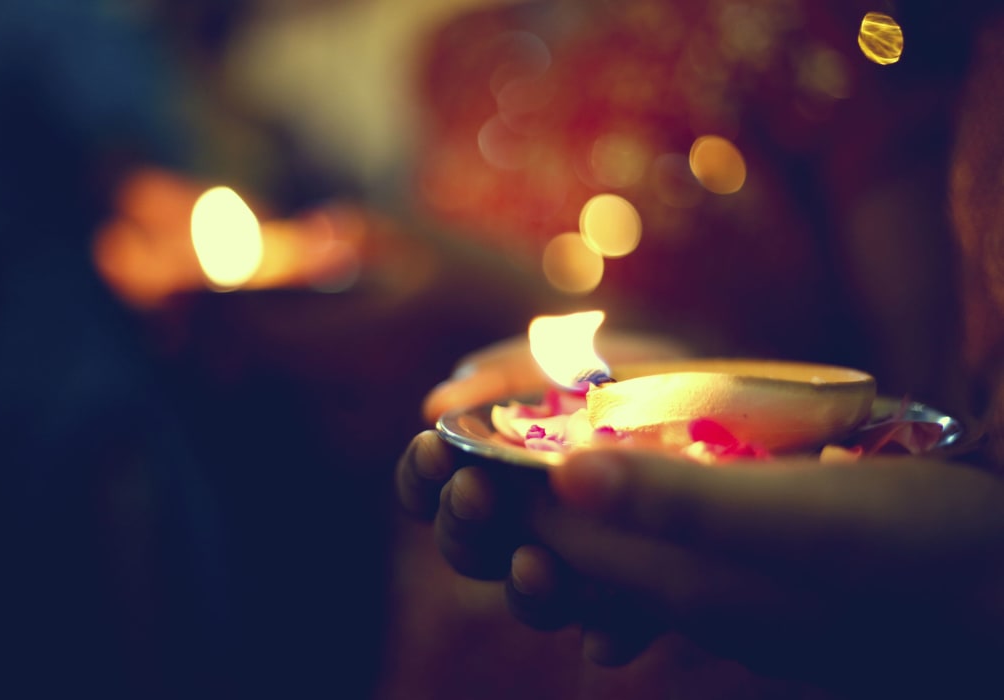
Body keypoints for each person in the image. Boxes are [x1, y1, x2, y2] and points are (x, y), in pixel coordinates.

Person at [394, 3, 1004, 698]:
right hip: (480, 621)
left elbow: (928, 404)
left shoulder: (832, 28)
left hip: (751, 612)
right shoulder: (460, 48)